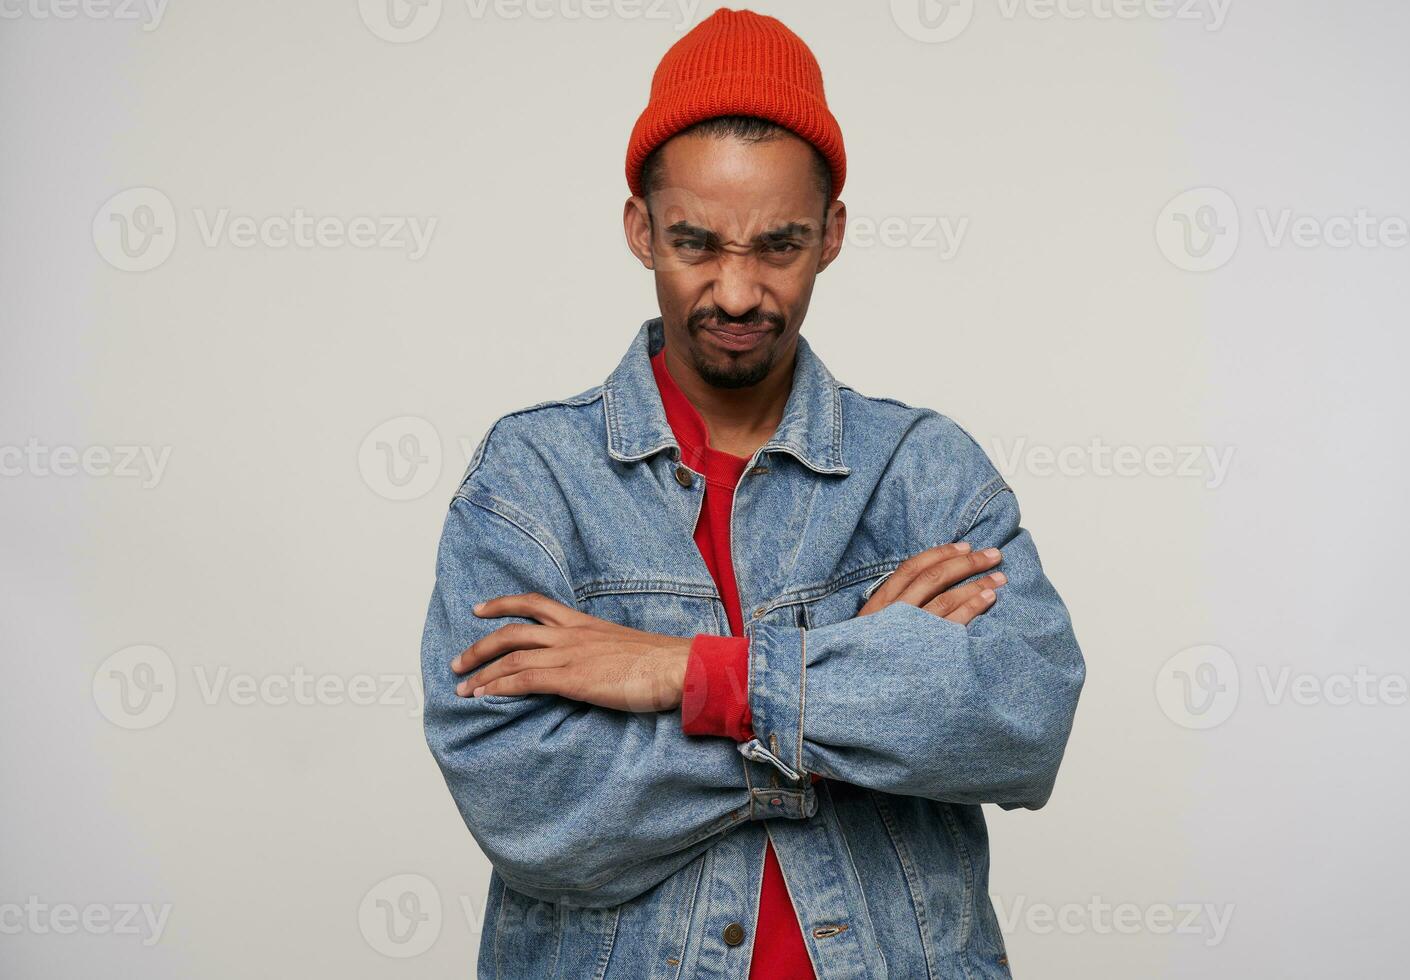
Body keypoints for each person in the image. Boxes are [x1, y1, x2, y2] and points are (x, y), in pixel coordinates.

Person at [420, 8, 1085, 978]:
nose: (737, 291)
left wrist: (692, 675)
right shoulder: (530, 482)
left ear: (833, 235)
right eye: (697, 243)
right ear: (640, 229)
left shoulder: (922, 469)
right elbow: (524, 799)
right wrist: (857, 699)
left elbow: (1023, 717)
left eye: (778, 245)